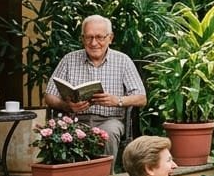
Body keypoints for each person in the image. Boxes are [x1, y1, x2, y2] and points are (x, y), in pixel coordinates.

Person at [45, 15, 146, 165]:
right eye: (89, 37)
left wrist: (117, 101)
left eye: (99, 37)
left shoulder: (123, 61)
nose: (94, 43)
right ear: (82, 38)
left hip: (110, 120)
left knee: (109, 133)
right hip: (75, 120)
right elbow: (48, 96)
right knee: (63, 135)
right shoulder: (69, 60)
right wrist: (67, 106)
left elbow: (141, 98)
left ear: (110, 38)